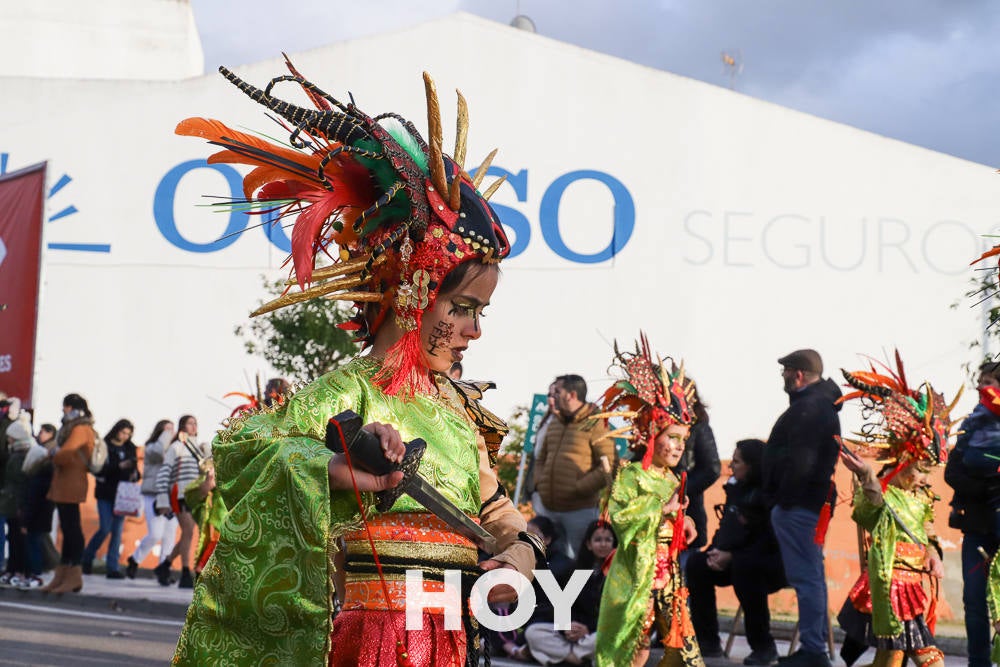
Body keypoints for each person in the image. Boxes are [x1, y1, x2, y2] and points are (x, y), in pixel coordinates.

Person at [170, 64, 536, 665]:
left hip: (453, 640)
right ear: (416, 290)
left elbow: (497, 511)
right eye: (464, 308)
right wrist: (334, 466)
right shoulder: (349, 393)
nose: (475, 331)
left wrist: (517, 559)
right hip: (371, 642)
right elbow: (242, 452)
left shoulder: (457, 409)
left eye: (480, 313)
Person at [594, 335, 702, 667]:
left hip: (669, 575)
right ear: (652, 434)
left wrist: (686, 522)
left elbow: (674, 520)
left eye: (684, 439)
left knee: (679, 643)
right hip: (635, 571)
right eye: (673, 437)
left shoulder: (671, 479)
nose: (679, 446)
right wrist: (660, 509)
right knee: (635, 640)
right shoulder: (630, 475)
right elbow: (620, 517)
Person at [836, 357, 952, 667]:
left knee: (891, 659)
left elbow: (927, 530)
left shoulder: (922, 497)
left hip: (912, 587)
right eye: (921, 470)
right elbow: (870, 510)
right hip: (888, 587)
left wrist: (933, 553)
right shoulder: (883, 493)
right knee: (926, 659)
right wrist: (866, 476)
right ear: (903, 460)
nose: (925, 479)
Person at [761, 349, 841, 667]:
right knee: (812, 577)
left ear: (797, 375)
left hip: (799, 505)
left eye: (785, 371)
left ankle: (814, 650)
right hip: (806, 504)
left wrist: (783, 499)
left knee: (807, 578)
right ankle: (814, 647)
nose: (782, 377)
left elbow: (801, 463)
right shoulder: (817, 405)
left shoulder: (810, 408)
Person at [687, 438, 786, 665]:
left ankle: (763, 647)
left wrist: (732, 556)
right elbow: (727, 527)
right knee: (697, 564)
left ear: (752, 465)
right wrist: (715, 552)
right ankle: (708, 642)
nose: (731, 466)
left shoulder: (769, 496)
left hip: (769, 564)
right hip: (732, 558)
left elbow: (769, 540)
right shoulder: (736, 490)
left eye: (737, 461)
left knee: (746, 568)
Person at [944, 361, 1000, 667]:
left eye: (988, 382)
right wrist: (983, 486)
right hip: (977, 529)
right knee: (975, 601)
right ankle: (978, 662)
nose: (981, 387)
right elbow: (952, 472)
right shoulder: (972, 425)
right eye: (980, 381)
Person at [535, 374, 613, 558]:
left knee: (581, 562)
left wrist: (578, 488)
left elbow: (607, 464)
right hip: (548, 509)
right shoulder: (555, 421)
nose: (553, 396)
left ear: (571, 395)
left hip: (579, 511)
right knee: (547, 561)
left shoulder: (596, 422)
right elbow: (541, 458)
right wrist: (540, 483)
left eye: (558, 391)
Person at [521, 520, 617, 666]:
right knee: (534, 632)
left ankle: (564, 657)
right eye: (598, 540)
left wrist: (588, 629)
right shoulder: (577, 570)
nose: (603, 544)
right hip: (574, 633)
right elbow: (563, 606)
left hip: (595, 633)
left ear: (614, 544)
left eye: (608, 540)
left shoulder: (618, 576)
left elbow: (615, 615)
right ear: (589, 544)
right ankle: (577, 658)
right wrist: (568, 626)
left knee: (611, 637)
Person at [42, 393, 95, 594]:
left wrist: (54, 453)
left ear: (71, 407)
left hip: (72, 483)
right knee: (67, 527)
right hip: (65, 483)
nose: (63, 410)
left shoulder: (81, 429)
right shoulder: (75, 427)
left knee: (72, 529)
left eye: (65, 406)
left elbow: (65, 454)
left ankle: (74, 573)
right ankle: (62, 574)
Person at [154, 415, 208, 588]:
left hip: (195, 495)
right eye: (190, 423)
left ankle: (165, 565)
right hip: (179, 494)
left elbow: (206, 471)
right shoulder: (176, 447)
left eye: (195, 423)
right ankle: (185, 572)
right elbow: (164, 472)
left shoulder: (198, 448)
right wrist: (162, 499)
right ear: (182, 427)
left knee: (188, 534)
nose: (194, 426)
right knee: (188, 531)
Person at [81, 418, 138, 578]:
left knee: (117, 532)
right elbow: (98, 469)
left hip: (123, 494)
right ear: (116, 430)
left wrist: (134, 473)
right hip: (106, 492)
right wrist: (118, 466)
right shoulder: (105, 445)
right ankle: (87, 557)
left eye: (128, 434)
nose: (125, 436)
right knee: (105, 528)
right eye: (123, 432)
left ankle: (112, 567)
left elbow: (135, 469)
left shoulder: (130, 448)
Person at [673, 382, 720, 561]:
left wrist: (681, 491)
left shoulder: (699, 427)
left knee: (685, 568)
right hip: (656, 515)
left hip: (688, 512)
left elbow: (712, 469)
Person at [126, 420, 178, 578]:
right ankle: (135, 559)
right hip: (153, 494)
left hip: (171, 496)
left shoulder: (176, 448)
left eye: (172, 429)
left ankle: (163, 570)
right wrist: (166, 436)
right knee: (155, 534)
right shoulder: (152, 447)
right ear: (159, 431)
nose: (170, 432)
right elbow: (159, 453)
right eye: (166, 429)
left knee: (169, 535)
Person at [20, 423, 57, 588]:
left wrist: (25, 522)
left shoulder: (37, 479)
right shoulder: (47, 476)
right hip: (43, 517)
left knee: (33, 546)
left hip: (34, 519)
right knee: (37, 544)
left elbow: (32, 502)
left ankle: (35, 573)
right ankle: (36, 571)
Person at [0, 415, 33, 586]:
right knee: (13, 537)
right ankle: (12, 568)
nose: (8, 440)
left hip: (16, 503)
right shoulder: (18, 454)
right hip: (13, 502)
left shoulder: (20, 456)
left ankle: (18, 569)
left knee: (17, 538)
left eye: (11, 437)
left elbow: (19, 482)